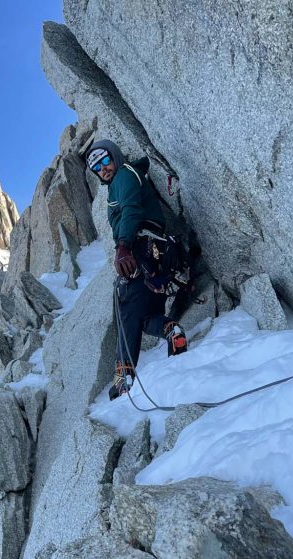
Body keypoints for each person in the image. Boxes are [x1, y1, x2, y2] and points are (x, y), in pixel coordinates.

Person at [86, 139, 189, 400]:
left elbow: (131, 209)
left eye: (105, 160)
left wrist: (123, 246)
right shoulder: (124, 178)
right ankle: (171, 331)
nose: (103, 169)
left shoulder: (123, 175)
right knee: (147, 316)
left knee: (127, 307)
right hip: (157, 253)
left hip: (139, 248)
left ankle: (124, 377)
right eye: (97, 167)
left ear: (115, 157)